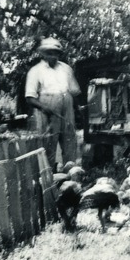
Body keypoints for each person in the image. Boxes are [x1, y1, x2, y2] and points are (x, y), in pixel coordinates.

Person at [25, 37, 81, 167]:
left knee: (69, 140)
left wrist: (78, 111)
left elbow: (75, 92)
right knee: (48, 142)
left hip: (67, 105)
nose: (53, 56)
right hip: (47, 108)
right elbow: (30, 98)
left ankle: (70, 175)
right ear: (43, 53)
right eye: (49, 53)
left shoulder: (66, 69)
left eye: (56, 53)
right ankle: (50, 176)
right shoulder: (35, 71)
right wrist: (44, 107)